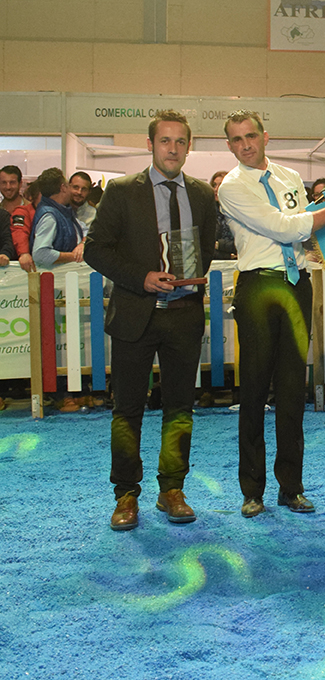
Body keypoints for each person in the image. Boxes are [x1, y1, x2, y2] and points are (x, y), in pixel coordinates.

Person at [217, 110, 325, 518]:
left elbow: (306, 222)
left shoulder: (287, 177)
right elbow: (286, 228)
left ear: (266, 136)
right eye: (236, 140)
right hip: (258, 286)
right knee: (253, 391)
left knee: (291, 391)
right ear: (229, 146)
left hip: (296, 282)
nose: (245, 144)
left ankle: (292, 488)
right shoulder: (231, 187)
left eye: (251, 135)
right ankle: (252, 491)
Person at [83, 110, 218, 532]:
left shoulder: (201, 194)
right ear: (150, 145)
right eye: (165, 141)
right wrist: (141, 278)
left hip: (184, 317)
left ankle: (172, 490)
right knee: (127, 411)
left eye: (180, 141)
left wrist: (189, 280)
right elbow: (94, 250)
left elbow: (207, 245)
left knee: (180, 408)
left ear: (188, 147)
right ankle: (125, 495)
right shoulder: (122, 192)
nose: (173, 148)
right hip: (134, 317)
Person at [30, 168, 85, 271]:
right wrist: (74, 256)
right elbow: (40, 254)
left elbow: (84, 231)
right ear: (63, 187)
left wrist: (82, 244)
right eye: (68, 185)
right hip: (54, 280)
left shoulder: (63, 212)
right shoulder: (49, 216)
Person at [11, 181, 40, 272]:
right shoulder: (23, 212)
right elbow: (19, 231)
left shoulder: (60, 212)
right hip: (28, 262)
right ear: (33, 197)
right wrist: (24, 253)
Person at [209, 170, 237, 259]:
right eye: (214, 185)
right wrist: (228, 256)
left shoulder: (239, 212)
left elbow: (244, 244)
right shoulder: (209, 213)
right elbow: (206, 247)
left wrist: (219, 245)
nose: (216, 189)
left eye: (220, 185)